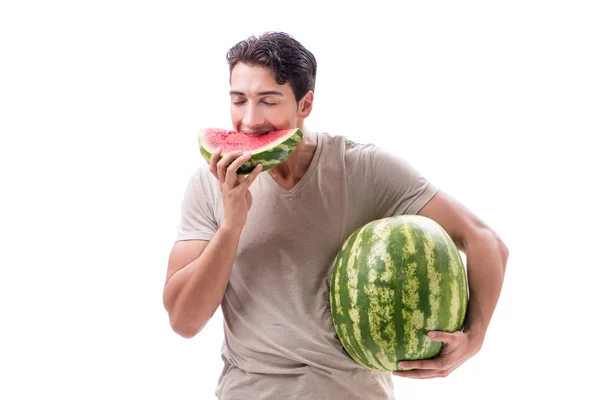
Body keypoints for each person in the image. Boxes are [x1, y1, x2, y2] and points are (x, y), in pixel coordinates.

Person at [162, 31, 509, 400]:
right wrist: (231, 225)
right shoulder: (208, 184)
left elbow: (484, 240)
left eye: (268, 101)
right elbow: (184, 321)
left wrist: (475, 336)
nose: (250, 120)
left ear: (305, 104)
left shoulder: (364, 169)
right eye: (238, 100)